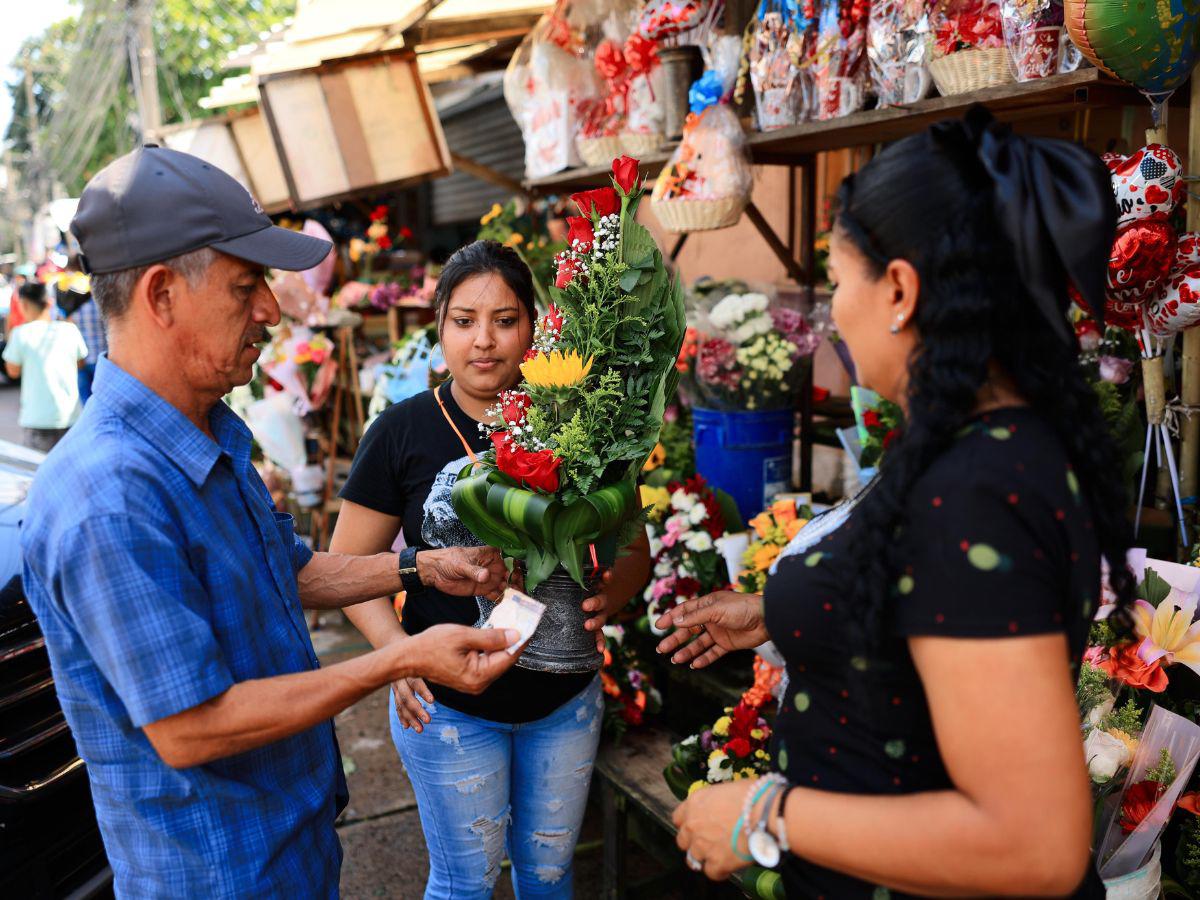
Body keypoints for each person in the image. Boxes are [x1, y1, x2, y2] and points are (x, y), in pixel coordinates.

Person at [20, 146, 527, 899]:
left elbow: (286, 570)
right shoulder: (109, 496)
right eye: (246, 283)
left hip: (291, 846)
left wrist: (420, 567)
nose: (271, 308)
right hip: (218, 875)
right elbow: (192, 726)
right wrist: (398, 659)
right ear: (161, 295)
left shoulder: (203, 435)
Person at [655, 108, 1128, 898]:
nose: (833, 311)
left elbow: (1033, 845)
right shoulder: (977, 447)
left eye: (838, 280)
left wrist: (765, 813)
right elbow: (943, 610)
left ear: (900, 289)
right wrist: (783, 612)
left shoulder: (978, 489)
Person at [331, 239, 652, 898]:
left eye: (506, 320)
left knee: (550, 875)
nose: (485, 340)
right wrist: (398, 656)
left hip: (563, 698)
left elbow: (633, 551)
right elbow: (345, 569)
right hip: (449, 708)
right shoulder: (401, 432)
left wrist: (607, 598)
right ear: (440, 326)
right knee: (463, 884)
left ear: (534, 328)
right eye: (464, 320)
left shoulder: (583, 424)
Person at [2, 281, 88, 452]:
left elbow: (12, 371)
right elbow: (80, 363)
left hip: (37, 418)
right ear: (48, 303)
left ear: (24, 304)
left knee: (39, 472)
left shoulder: (21, 333)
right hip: (71, 416)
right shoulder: (69, 330)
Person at [70, 292, 107, 403]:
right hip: (100, 358)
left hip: (80, 361)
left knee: (85, 401)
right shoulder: (99, 304)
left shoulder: (71, 307)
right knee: (102, 399)